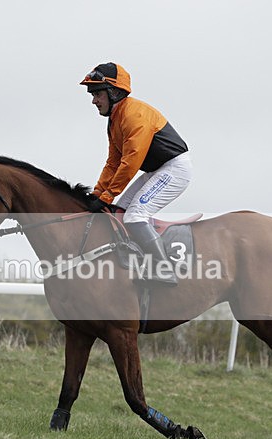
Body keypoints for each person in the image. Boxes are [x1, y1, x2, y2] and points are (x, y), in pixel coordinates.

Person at [81, 62, 192, 286]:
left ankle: (163, 269)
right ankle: (138, 260)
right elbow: (113, 162)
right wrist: (97, 193)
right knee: (121, 212)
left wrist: (107, 196)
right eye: (92, 95)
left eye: (97, 94)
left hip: (174, 169)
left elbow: (130, 162)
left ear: (113, 92)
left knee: (134, 216)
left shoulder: (134, 116)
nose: (93, 100)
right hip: (158, 170)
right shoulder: (115, 120)